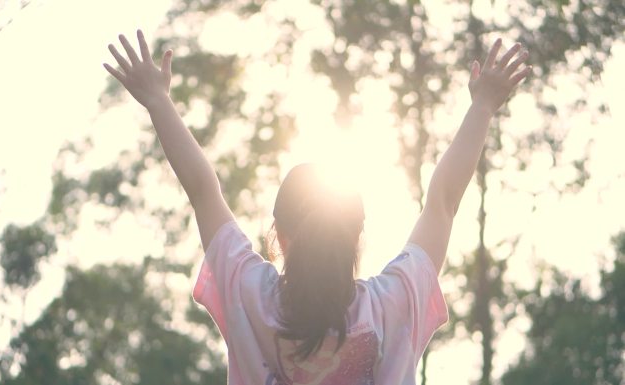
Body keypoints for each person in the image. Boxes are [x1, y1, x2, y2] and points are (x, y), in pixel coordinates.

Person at [104, 30, 531, 385]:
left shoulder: (250, 295)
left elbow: (202, 191)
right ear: (358, 238)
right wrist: (482, 106)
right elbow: (443, 202)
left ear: (279, 236)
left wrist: (158, 101)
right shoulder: (391, 305)